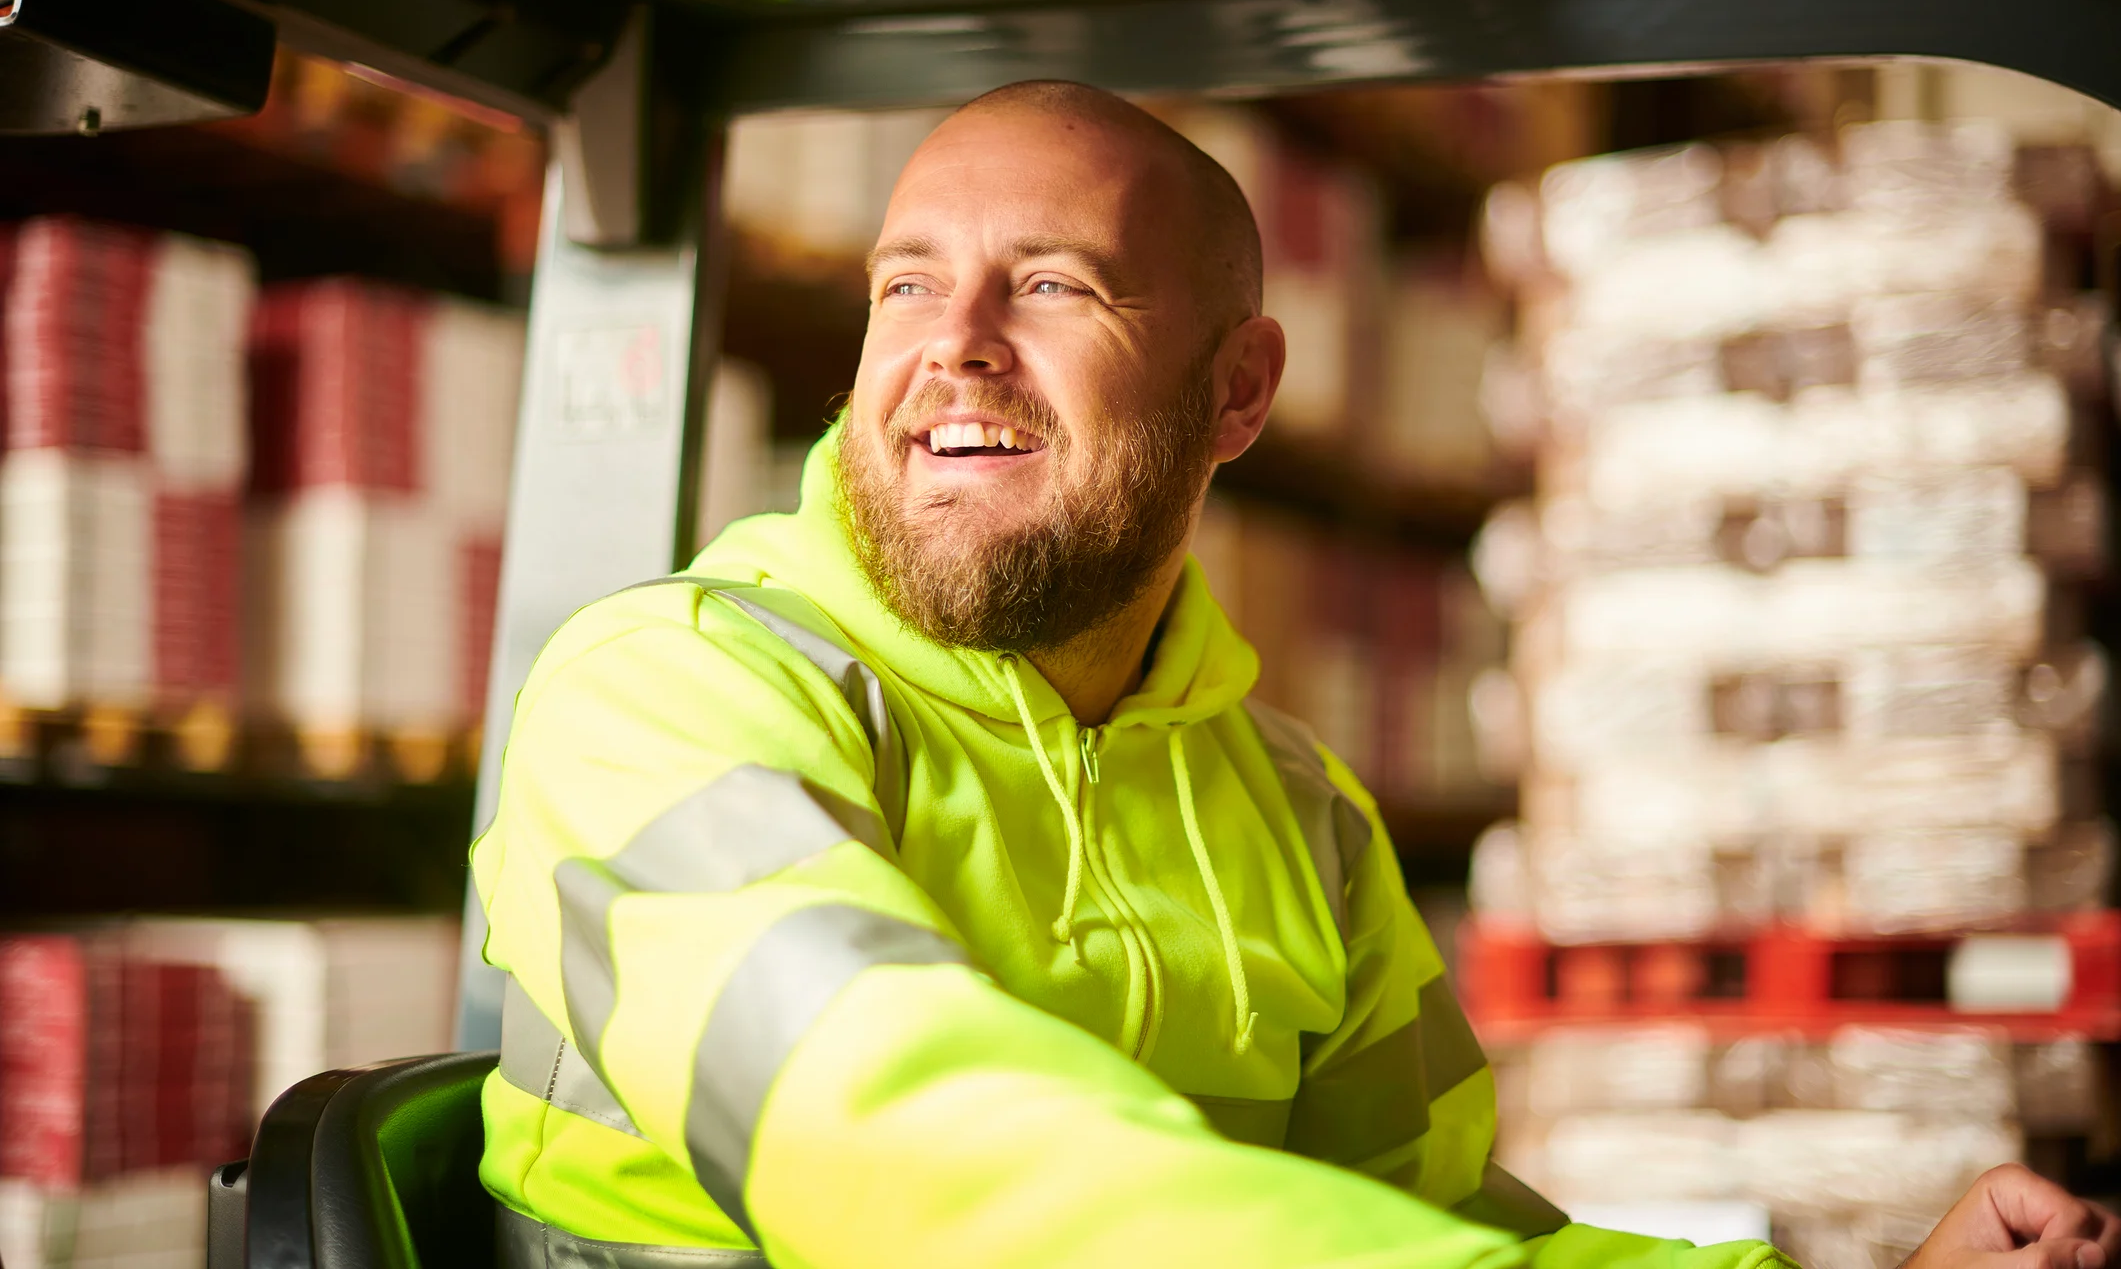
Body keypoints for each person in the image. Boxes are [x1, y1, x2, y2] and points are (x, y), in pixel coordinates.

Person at [471, 80, 2120, 1269]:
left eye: (1052, 282)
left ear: (1239, 389)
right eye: (906, 281)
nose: (952, 338)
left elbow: (1438, 1228)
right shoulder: (660, 695)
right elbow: (905, 1149)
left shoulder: (1294, 813)